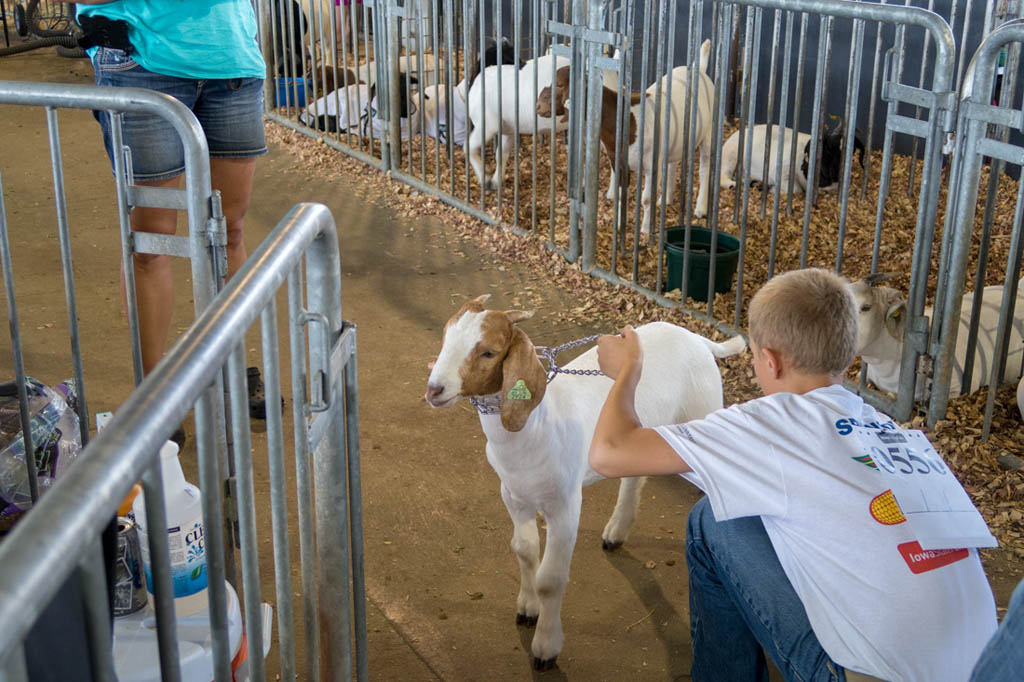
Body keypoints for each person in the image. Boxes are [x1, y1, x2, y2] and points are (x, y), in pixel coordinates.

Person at [589, 268, 997, 682]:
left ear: (770, 360)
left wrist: (628, 370)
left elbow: (609, 452)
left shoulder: (769, 425)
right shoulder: (891, 431)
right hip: (984, 669)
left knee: (711, 522)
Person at [64, 0, 272, 434]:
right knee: (151, 241)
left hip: (230, 60)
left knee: (228, 231)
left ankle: (229, 364)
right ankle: (153, 392)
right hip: (141, 63)